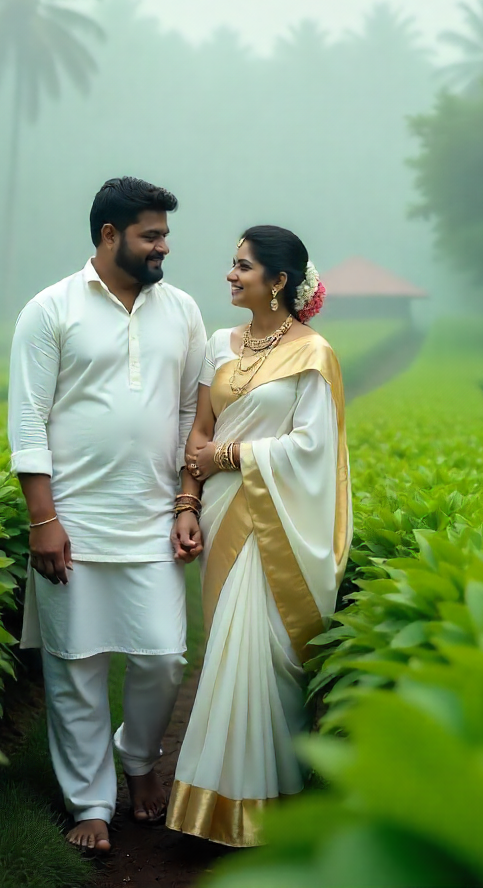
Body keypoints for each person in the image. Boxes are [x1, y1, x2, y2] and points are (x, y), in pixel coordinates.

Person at [8, 177, 207, 856]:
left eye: (164, 235)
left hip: (152, 519)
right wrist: (43, 519)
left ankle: (139, 755)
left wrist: (187, 501)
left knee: (163, 656)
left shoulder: (182, 310)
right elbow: (28, 418)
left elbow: (190, 415)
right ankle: (90, 803)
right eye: (151, 235)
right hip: (73, 521)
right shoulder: (49, 310)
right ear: (108, 236)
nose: (163, 247)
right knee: (76, 666)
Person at [165, 225, 352, 849]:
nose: (231, 274)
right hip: (220, 512)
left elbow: (313, 449)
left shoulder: (313, 355)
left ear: (278, 281)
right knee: (225, 650)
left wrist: (234, 456)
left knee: (263, 657)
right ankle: (212, 807)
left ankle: (274, 809)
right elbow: (198, 433)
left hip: (273, 518)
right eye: (232, 263)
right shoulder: (220, 344)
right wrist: (188, 502)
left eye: (243, 266)